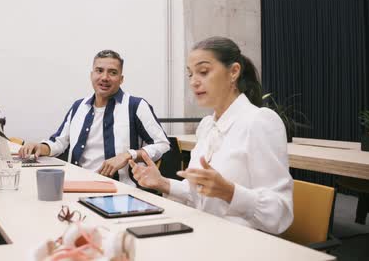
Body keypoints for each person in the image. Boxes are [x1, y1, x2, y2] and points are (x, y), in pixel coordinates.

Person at [129, 37, 293, 234]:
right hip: (204, 233)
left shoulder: (260, 121)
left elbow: (280, 213)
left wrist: (231, 193)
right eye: (190, 74)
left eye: (204, 72)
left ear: (233, 72)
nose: (194, 82)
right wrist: (163, 183)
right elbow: (200, 193)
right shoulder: (207, 126)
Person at [19, 50, 170, 186]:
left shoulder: (136, 106)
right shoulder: (79, 106)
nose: (104, 77)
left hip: (120, 190)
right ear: (92, 75)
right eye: (99, 71)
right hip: (76, 184)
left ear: (121, 78)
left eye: (112, 72)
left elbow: (162, 144)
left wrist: (128, 155)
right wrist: (40, 147)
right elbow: (59, 142)